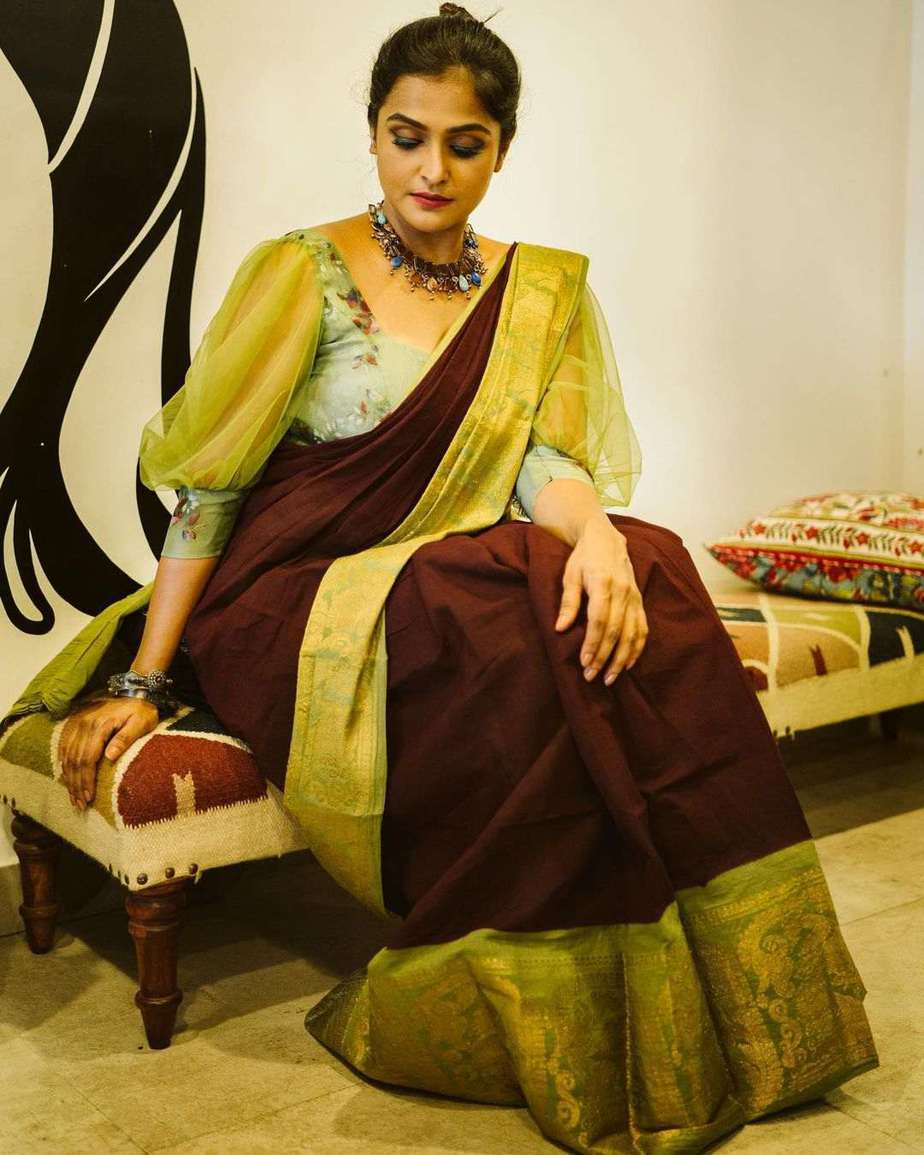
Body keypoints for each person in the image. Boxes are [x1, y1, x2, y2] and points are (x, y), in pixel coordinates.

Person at [3, 5, 877, 1151]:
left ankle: (702, 972)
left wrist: (598, 538)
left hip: (435, 573)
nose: (432, 169)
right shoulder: (302, 273)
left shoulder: (537, 289)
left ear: (500, 148)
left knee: (648, 558)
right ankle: (531, 971)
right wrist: (145, 677)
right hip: (293, 588)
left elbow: (543, 467)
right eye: (407, 138)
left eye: (464, 145)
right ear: (373, 132)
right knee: (496, 604)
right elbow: (209, 491)